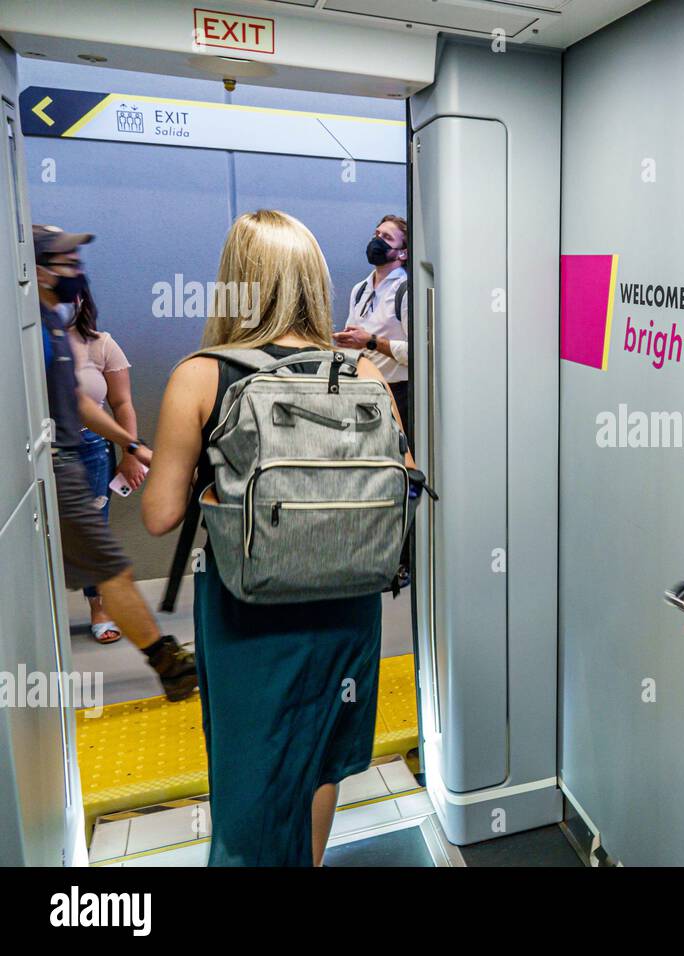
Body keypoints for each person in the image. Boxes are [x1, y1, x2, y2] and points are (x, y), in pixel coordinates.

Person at [142, 209, 414, 867]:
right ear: (314, 284)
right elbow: (401, 481)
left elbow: (158, 515)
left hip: (249, 609)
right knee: (321, 755)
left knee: (252, 763)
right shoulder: (365, 375)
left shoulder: (201, 375)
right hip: (347, 602)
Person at [34, 224, 197, 700]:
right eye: (65, 263)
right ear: (38, 271)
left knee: (107, 565)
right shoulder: (28, 329)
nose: (75, 272)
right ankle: (170, 665)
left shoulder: (51, 328)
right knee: (109, 567)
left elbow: (82, 404)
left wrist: (132, 444)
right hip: (53, 464)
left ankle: (168, 663)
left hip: (68, 461)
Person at [63, 278, 144, 644]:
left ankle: (99, 608)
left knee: (93, 532)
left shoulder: (100, 344)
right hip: (40, 450)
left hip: (92, 449)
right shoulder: (32, 344)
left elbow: (121, 404)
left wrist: (131, 454)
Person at [333, 214, 410, 435]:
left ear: (402, 253)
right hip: (363, 390)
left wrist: (371, 342)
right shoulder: (360, 289)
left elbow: (415, 354)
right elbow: (354, 340)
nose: (377, 240)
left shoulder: (405, 290)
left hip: (398, 394)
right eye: (377, 234)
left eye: (387, 237)